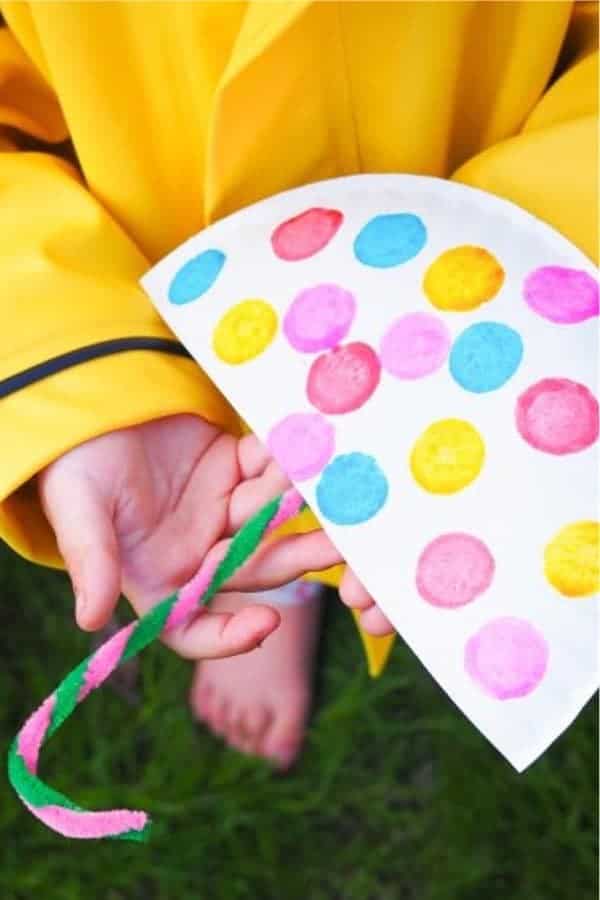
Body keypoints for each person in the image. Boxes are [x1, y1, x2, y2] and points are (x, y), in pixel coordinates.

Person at [0, 1, 596, 770]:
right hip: (153, 270)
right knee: (235, 490)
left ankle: (286, 576)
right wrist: (78, 364)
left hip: (498, 230)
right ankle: (277, 585)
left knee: (357, 483)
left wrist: (526, 296)